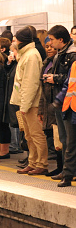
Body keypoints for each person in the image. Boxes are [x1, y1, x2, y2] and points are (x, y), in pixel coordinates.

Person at [12, 27, 47, 175]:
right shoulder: (25, 54)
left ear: (21, 41)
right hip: (24, 102)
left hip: (32, 103)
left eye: (15, 40)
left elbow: (30, 83)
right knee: (28, 135)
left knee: (36, 134)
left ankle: (42, 163)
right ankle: (32, 162)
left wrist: (25, 105)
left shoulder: (31, 56)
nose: (13, 42)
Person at [43, 25, 76, 180]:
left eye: (52, 39)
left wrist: (54, 78)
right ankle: (65, 170)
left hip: (69, 103)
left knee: (70, 140)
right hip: (61, 101)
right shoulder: (59, 55)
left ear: (61, 40)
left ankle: (69, 171)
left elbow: (68, 81)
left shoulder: (71, 55)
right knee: (63, 139)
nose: (50, 43)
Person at [39, 37, 62, 175]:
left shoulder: (59, 63)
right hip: (47, 103)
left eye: (51, 46)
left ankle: (63, 168)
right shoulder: (46, 63)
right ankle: (60, 167)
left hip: (57, 103)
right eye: (46, 46)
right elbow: (42, 88)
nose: (48, 49)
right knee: (54, 137)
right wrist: (41, 109)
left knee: (60, 138)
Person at [53, 57, 76, 187]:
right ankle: (67, 176)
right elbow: (68, 85)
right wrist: (59, 100)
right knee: (70, 145)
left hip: (71, 108)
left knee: (70, 145)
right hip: (70, 108)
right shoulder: (74, 65)